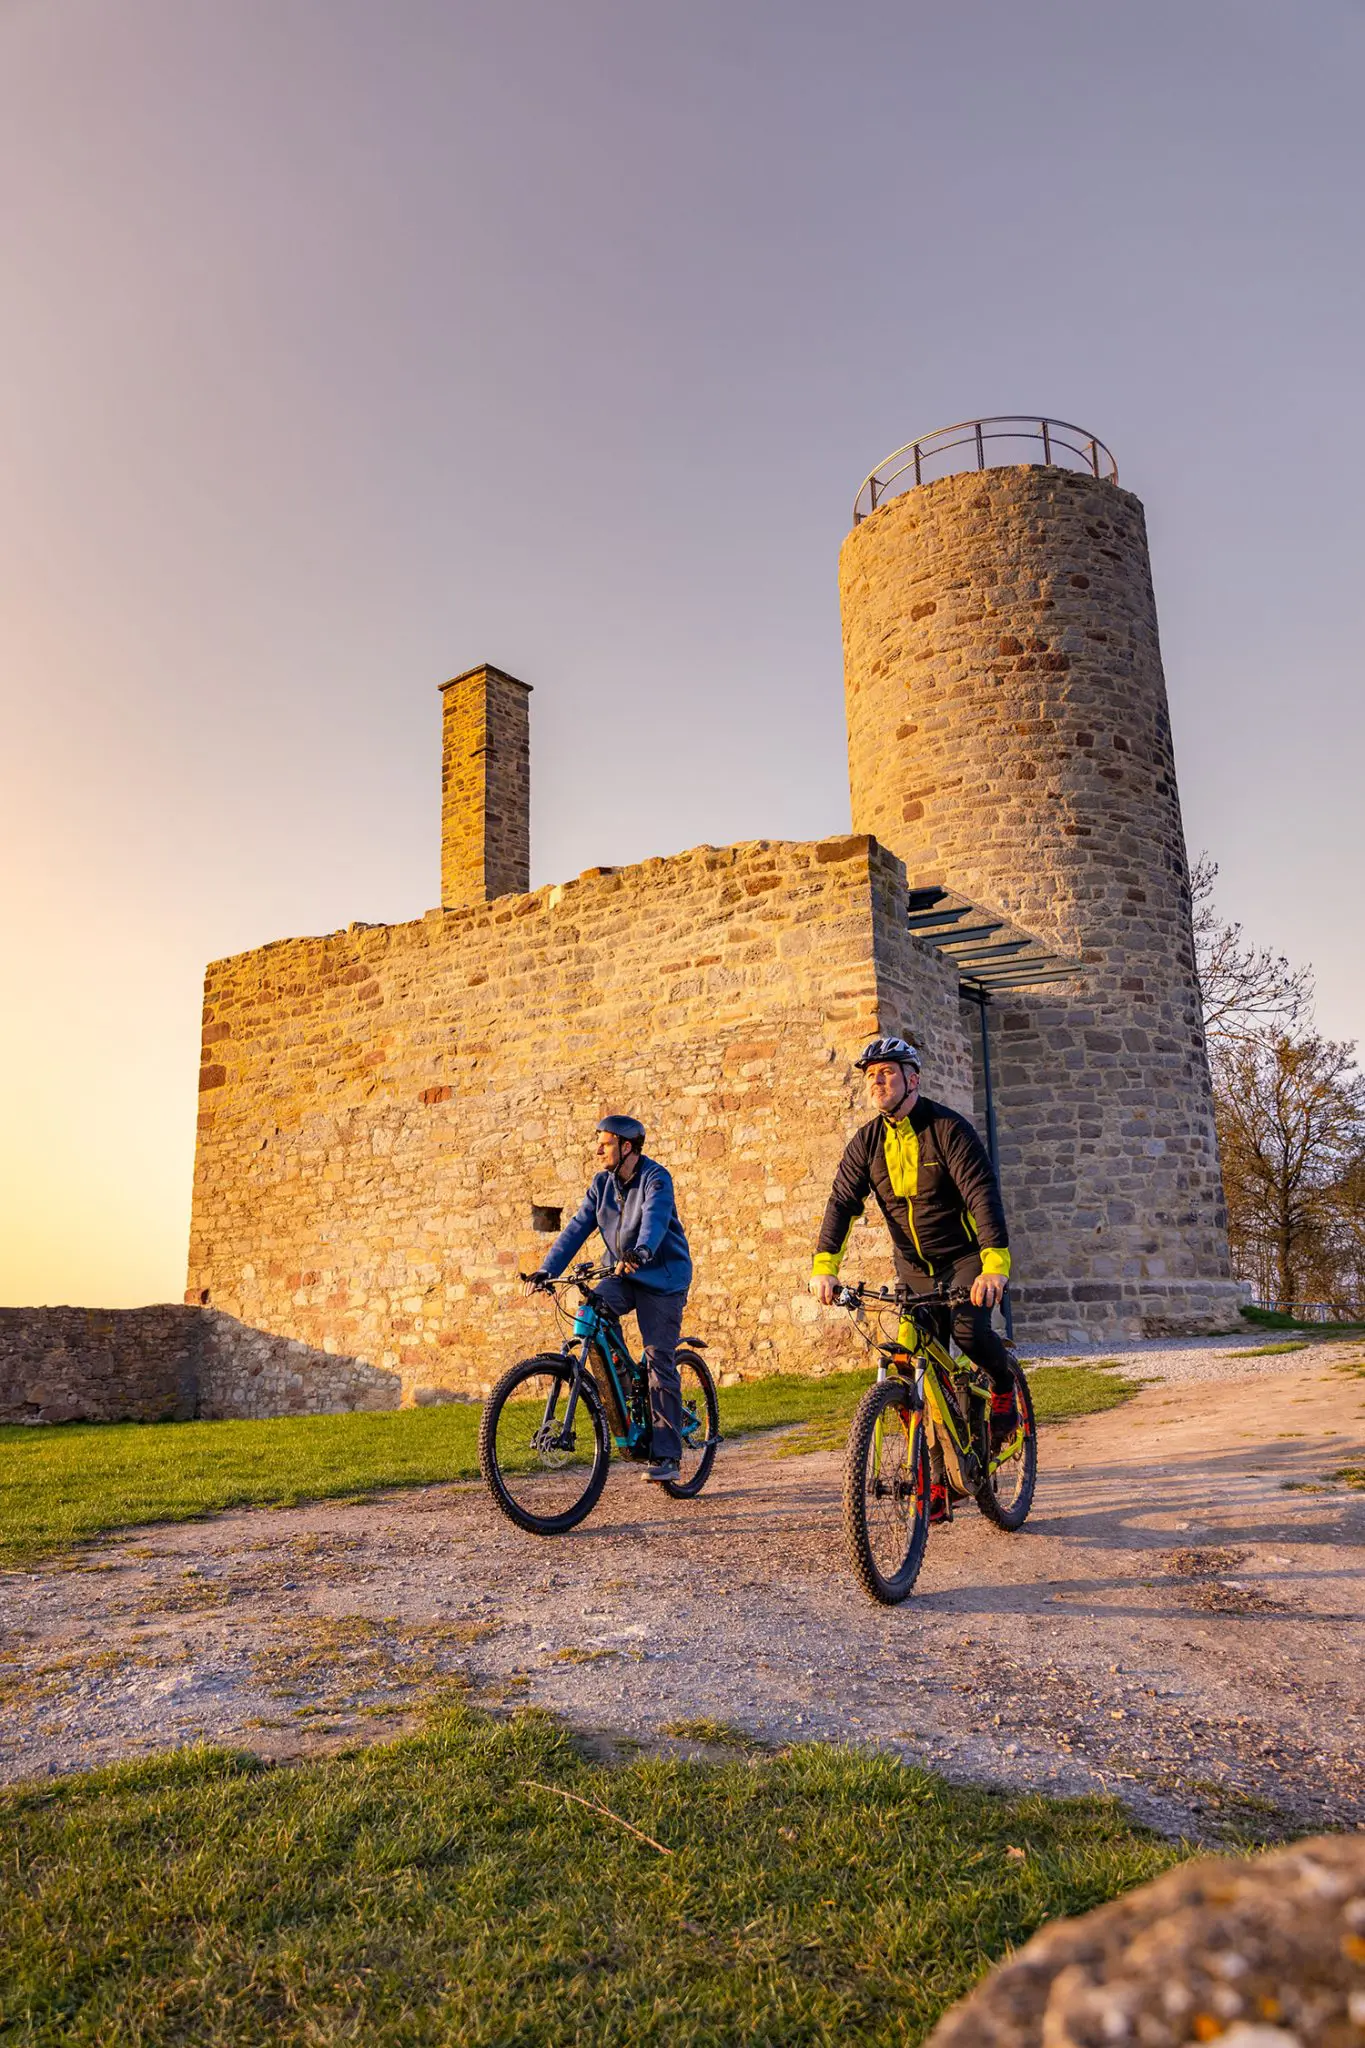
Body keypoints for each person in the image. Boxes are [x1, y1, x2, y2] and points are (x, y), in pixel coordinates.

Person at [810, 1036, 1018, 1521]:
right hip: (913, 1269)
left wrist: (994, 1266)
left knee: (968, 1331)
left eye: (887, 1072)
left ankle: (1004, 1387)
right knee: (907, 1364)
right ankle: (936, 1480)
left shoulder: (947, 1129)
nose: (878, 1081)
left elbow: (982, 1194)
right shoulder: (867, 1142)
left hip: (964, 1259)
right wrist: (824, 1267)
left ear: (912, 1079)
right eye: (871, 1075)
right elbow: (842, 1203)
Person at [529, 1115, 692, 1485]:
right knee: (590, 1314)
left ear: (627, 1147)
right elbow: (576, 1227)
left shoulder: (656, 1178)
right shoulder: (601, 1184)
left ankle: (667, 1455)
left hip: (661, 1277)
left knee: (657, 1360)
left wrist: (641, 1251)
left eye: (604, 1143)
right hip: (620, 1273)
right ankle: (624, 1394)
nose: (597, 1149)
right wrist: (546, 1270)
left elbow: (654, 1219)